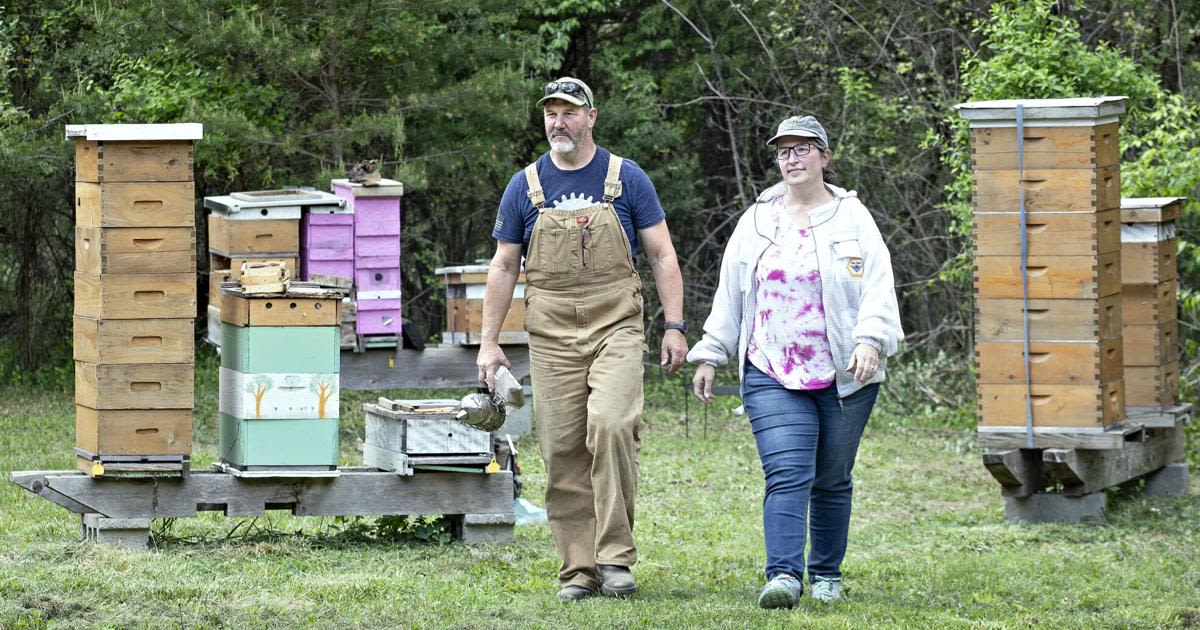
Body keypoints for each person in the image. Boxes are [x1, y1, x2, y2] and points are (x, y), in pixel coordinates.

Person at [476, 77, 688, 602]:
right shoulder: (525, 185)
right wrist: (489, 342)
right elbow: (504, 266)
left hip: (616, 323)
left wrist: (675, 325)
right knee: (562, 446)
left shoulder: (627, 178)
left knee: (612, 425)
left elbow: (662, 255)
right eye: (551, 113)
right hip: (550, 335)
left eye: (569, 112)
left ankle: (616, 558)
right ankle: (579, 569)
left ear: (591, 117)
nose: (559, 122)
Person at [687, 115, 902, 608]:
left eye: (804, 149)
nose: (793, 158)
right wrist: (712, 352)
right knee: (787, 472)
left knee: (831, 477)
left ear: (825, 157)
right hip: (771, 369)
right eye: (784, 151)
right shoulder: (757, 219)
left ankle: (826, 574)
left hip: (847, 374)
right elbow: (731, 293)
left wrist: (871, 339)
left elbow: (878, 286)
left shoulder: (853, 217)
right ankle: (783, 575)